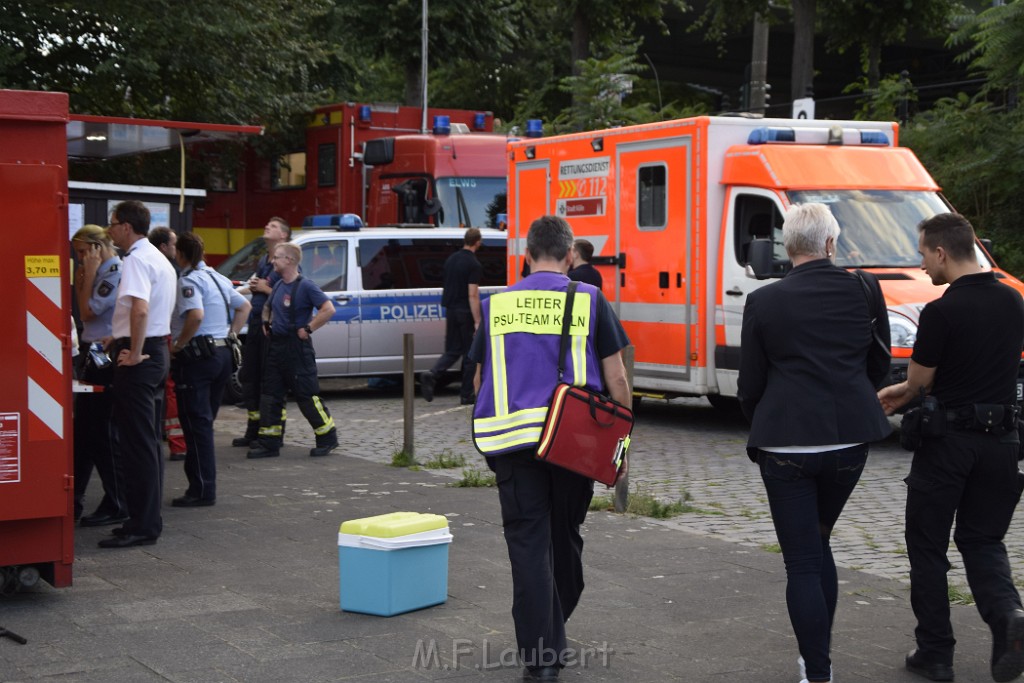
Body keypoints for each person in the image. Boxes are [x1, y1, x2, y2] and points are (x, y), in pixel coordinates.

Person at [468, 215, 630, 682]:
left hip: (510, 444)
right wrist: (621, 447)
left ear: (526, 256)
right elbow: (616, 377)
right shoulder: (589, 298)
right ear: (570, 256)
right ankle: (549, 638)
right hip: (573, 444)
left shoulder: (499, 304)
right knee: (565, 538)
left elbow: (481, 377)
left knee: (528, 547)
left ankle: (541, 657)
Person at [737, 203, 891, 683]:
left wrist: (763, 421)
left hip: (786, 445)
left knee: (803, 560)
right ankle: (815, 660)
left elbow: (751, 383)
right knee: (819, 542)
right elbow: (879, 364)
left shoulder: (763, 301)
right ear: (830, 244)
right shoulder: (865, 289)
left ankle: (816, 671)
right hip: (850, 443)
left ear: (788, 247)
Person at [878, 212, 1024, 683]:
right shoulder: (1013, 301)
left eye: (923, 254)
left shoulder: (940, 311)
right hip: (1003, 443)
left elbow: (918, 383)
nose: (922, 265)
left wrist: (890, 397)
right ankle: (1008, 618)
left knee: (927, 546)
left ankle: (936, 654)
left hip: (948, 445)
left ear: (942, 252)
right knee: (983, 539)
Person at [100, 200, 177, 548]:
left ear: (127, 227)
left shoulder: (135, 259)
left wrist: (132, 350)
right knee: (144, 442)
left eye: (113, 223)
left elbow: (141, 309)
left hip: (142, 356)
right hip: (156, 351)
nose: (110, 229)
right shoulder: (158, 258)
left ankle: (143, 526)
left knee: (137, 444)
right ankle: (143, 520)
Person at [169, 233, 250, 507]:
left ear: (181, 254)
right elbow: (244, 306)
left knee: (196, 425)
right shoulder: (218, 278)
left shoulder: (188, 281)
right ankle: (202, 486)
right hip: (222, 354)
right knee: (204, 423)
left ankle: (202, 489)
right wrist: (232, 335)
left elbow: (196, 315)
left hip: (198, 358)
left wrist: (179, 344)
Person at [246, 242, 339, 459]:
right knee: (270, 396)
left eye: (277, 257)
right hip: (277, 347)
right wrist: (266, 322)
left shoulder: (306, 286)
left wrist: (308, 328)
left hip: (297, 349)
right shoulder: (278, 285)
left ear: (289, 260)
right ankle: (270, 443)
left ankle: (327, 437)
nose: (272, 261)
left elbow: (328, 309)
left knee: (306, 396)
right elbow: (268, 305)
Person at [71, 224, 127, 527]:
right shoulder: (95, 270)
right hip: (93, 353)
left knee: (102, 433)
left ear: (96, 247)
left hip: (105, 356)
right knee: (85, 433)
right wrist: (84, 273)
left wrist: (87, 273)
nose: (80, 259)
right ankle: (75, 498)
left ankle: (119, 501)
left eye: (83, 252)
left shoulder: (113, 271)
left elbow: (87, 311)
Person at [232, 217, 292, 447]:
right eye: (267, 224)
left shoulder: (286, 261)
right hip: (256, 324)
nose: (267, 226)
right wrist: (231, 290)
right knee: (251, 378)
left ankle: (272, 434)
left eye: (274, 226)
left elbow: (288, 293)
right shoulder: (264, 261)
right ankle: (253, 431)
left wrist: (264, 288)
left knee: (270, 382)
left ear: (283, 236)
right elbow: (253, 286)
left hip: (272, 328)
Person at [420, 227, 483, 405]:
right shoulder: (474, 264)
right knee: (470, 354)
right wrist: (477, 320)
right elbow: (473, 294)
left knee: (454, 350)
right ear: (478, 242)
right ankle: (466, 394)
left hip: (451, 310)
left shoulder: (451, 259)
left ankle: (432, 374)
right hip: (465, 312)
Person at [148, 226, 186, 461]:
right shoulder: (171, 271)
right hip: (165, 335)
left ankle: (169, 439)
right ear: (164, 247)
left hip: (154, 335)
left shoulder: (151, 266)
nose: (176, 248)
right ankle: (178, 444)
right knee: (169, 390)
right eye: (173, 244)